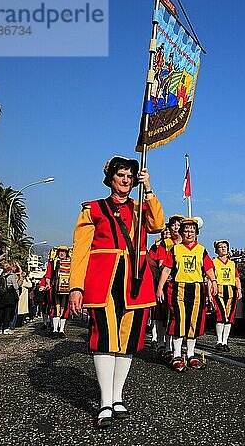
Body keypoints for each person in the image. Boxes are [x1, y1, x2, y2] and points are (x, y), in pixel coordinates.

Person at [68, 156, 165, 428]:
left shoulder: (140, 207)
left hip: (135, 280)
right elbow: (81, 251)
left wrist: (151, 189)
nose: (126, 180)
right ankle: (105, 400)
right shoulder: (93, 209)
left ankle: (118, 396)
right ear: (111, 178)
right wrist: (77, 286)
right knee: (104, 337)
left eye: (130, 176)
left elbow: (157, 225)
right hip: (103, 281)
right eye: (121, 175)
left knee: (128, 340)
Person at [156, 217, 216, 372]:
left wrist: (214, 281)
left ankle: (190, 354)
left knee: (193, 322)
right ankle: (176, 355)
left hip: (197, 289)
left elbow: (208, 268)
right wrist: (160, 287)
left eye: (192, 231)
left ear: (196, 233)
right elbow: (167, 269)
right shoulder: (175, 249)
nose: (189, 233)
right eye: (186, 231)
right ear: (181, 233)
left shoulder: (202, 250)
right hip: (178, 288)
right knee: (179, 320)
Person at [147, 214, 184, 360]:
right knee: (162, 315)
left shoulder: (188, 244)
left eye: (179, 225)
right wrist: (162, 277)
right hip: (165, 282)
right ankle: (163, 344)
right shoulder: (163, 244)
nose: (176, 227)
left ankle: (178, 349)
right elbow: (160, 264)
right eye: (173, 225)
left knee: (178, 316)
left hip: (181, 284)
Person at [212, 240, 242, 352]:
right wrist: (210, 292)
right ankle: (219, 341)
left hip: (230, 290)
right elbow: (211, 277)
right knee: (221, 315)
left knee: (229, 317)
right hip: (219, 289)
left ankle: (225, 341)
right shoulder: (214, 262)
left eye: (225, 247)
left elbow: (236, 277)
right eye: (220, 247)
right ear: (216, 250)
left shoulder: (232, 263)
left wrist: (239, 289)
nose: (223, 249)